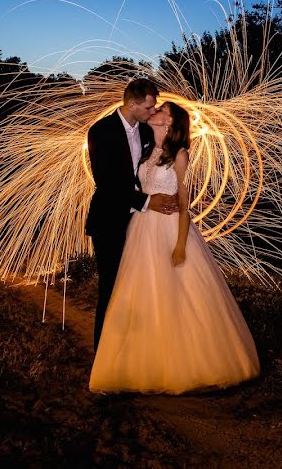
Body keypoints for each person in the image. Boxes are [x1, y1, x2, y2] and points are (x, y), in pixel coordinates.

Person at [89, 101, 260, 394]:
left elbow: (184, 206)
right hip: (141, 228)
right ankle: (138, 361)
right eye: (155, 109)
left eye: (161, 111)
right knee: (139, 294)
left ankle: (186, 362)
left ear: (169, 123)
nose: (154, 112)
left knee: (176, 293)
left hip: (169, 231)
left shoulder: (179, 155)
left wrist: (181, 245)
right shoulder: (146, 150)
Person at [84, 78, 179, 353]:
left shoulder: (147, 131)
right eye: (149, 107)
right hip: (110, 222)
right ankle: (103, 357)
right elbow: (108, 183)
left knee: (140, 289)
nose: (153, 112)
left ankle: (134, 353)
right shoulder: (101, 131)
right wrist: (149, 200)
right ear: (133, 103)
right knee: (111, 290)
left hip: (140, 224)